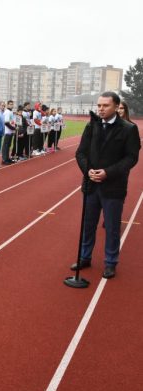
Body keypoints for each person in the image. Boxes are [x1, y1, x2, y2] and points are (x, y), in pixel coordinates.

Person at [73, 92, 140, 279]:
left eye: (105, 106)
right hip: (91, 185)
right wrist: (88, 171)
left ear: (116, 106)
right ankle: (84, 257)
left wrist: (108, 172)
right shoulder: (91, 125)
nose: (101, 109)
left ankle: (111, 262)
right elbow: (80, 153)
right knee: (88, 225)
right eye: (99, 105)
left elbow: (131, 158)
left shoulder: (128, 129)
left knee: (111, 227)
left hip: (113, 187)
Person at [2, 100, 16, 164]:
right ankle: (4, 159)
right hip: (7, 132)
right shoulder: (7, 112)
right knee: (6, 146)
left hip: (11, 132)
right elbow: (6, 123)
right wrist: (14, 128)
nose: (11, 105)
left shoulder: (11, 112)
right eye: (10, 104)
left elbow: (12, 122)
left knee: (8, 146)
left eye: (12, 104)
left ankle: (7, 158)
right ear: (7, 105)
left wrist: (14, 128)